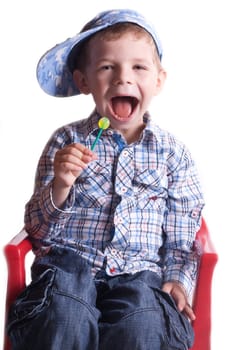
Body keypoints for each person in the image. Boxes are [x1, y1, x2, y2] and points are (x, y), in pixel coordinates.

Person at [7, 8, 205, 350]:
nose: (122, 78)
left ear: (158, 80)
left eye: (138, 67)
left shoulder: (173, 153)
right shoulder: (65, 142)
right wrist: (61, 185)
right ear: (84, 81)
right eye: (106, 67)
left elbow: (181, 236)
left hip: (141, 277)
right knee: (65, 316)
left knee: (142, 326)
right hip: (68, 267)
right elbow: (38, 233)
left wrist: (177, 279)